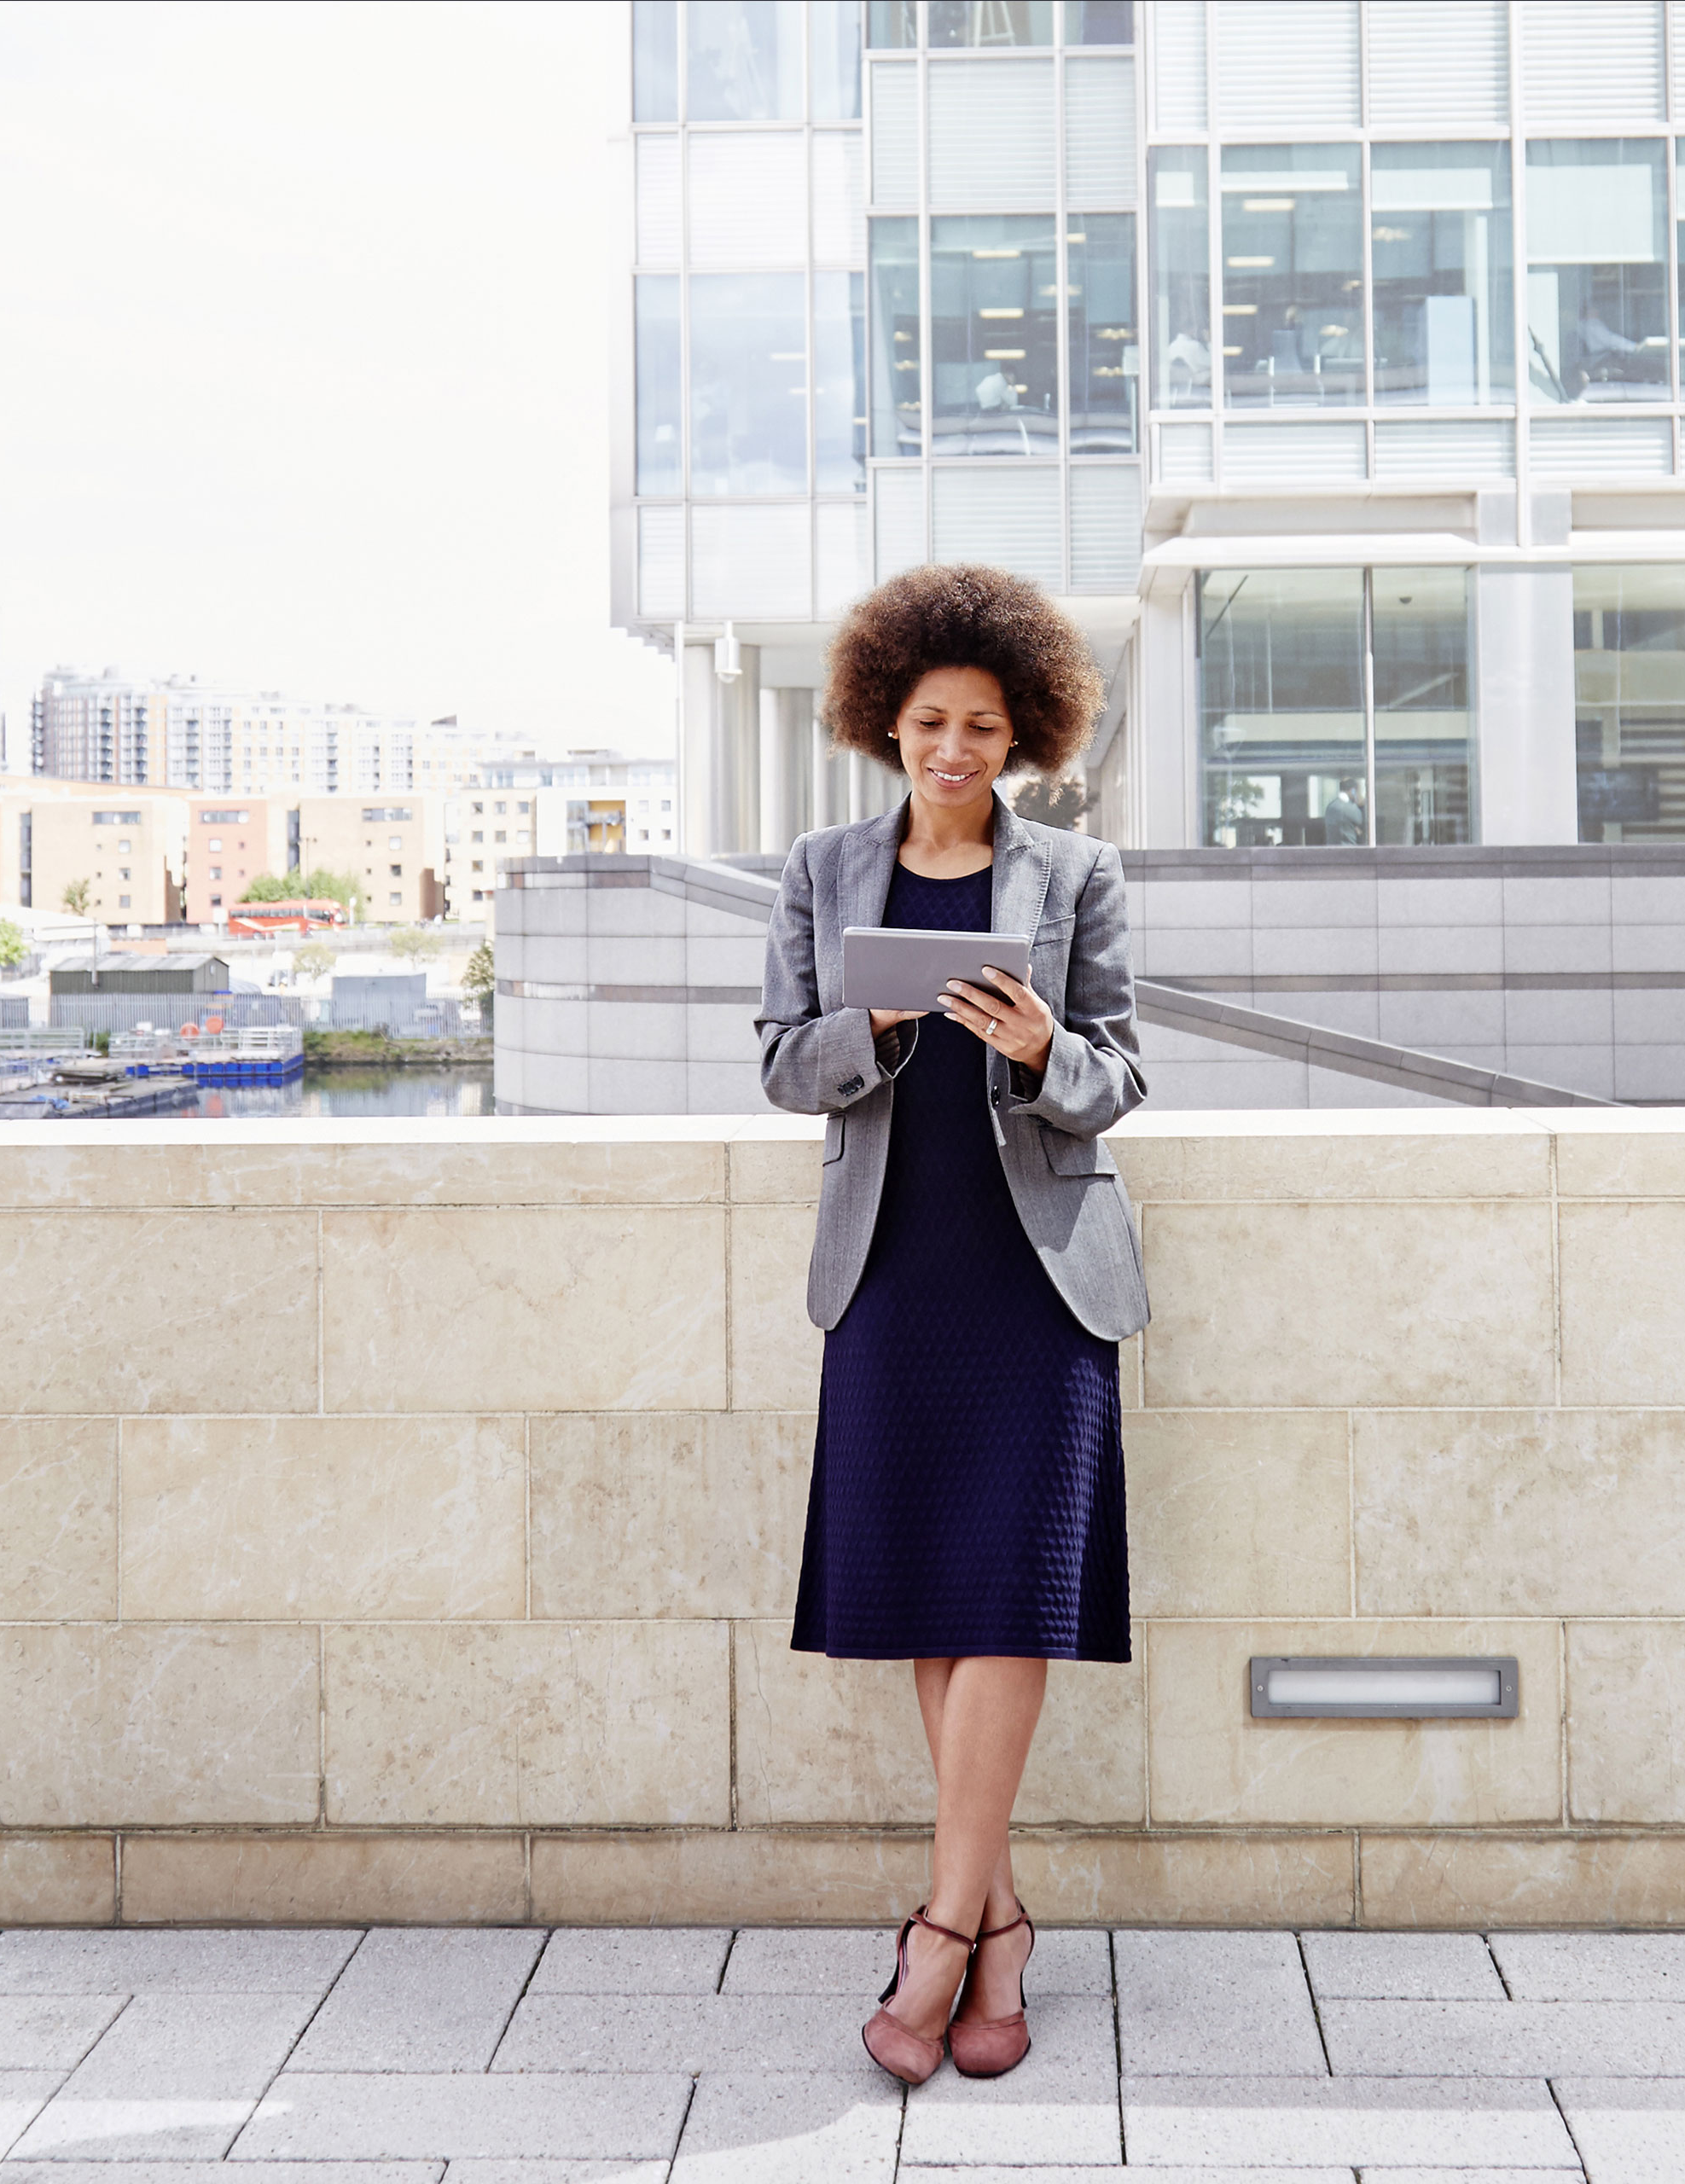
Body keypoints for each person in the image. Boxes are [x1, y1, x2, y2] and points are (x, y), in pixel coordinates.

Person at [756, 561, 1148, 2091]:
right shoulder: (820, 868)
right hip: (893, 1273)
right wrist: (884, 1025)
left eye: (985, 726)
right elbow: (787, 1064)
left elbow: (1121, 1079)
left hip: (1037, 1278)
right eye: (931, 723)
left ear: (1022, 735)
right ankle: (998, 1930)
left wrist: (1048, 1043)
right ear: (886, 725)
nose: (957, 750)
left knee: (1013, 1596)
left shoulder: (1078, 878)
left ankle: (940, 1931)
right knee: (937, 1598)